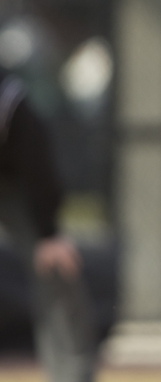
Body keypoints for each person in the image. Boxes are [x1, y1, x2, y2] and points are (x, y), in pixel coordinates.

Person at [0, 69, 97, 382]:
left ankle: (72, 374)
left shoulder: (8, 98)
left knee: (54, 270)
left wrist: (48, 231)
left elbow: (35, 158)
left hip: (13, 183)